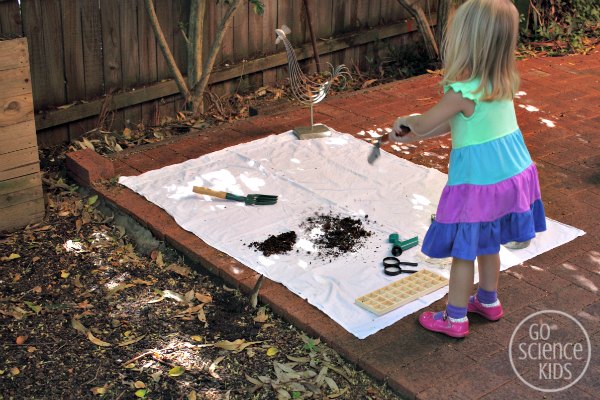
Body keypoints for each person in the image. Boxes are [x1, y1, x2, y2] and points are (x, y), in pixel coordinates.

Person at [389, 0, 546, 338]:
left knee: (463, 252)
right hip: (511, 178)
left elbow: (427, 121)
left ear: (466, 42)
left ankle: (455, 317)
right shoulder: (501, 83)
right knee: (489, 242)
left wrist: (406, 123)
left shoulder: (460, 92)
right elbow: (455, 126)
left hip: (476, 185)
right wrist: (415, 137)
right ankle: (488, 300)